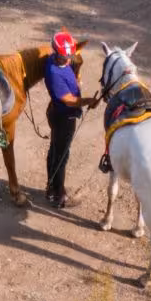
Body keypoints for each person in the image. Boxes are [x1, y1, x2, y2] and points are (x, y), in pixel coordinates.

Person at [42, 31, 98, 209]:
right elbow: (69, 100)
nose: (68, 60)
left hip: (58, 113)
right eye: (65, 57)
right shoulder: (54, 73)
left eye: (69, 56)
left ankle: (51, 187)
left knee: (55, 149)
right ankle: (60, 195)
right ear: (57, 53)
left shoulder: (53, 59)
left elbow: (66, 41)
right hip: (64, 116)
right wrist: (89, 101)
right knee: (61, 155)